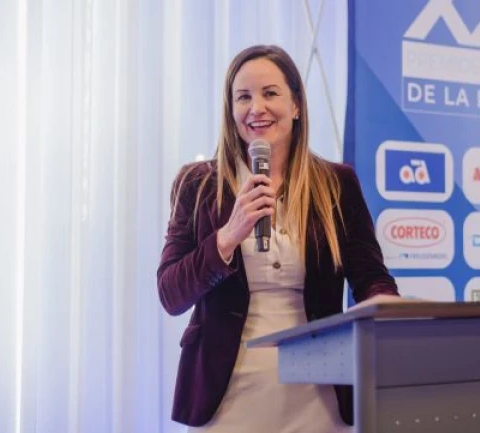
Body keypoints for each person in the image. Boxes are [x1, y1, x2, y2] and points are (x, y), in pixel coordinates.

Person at [157, 45, 398, 432]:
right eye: (244, 97)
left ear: (297, 105)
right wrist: (227, 237)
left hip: (318, 390)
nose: (257, 108)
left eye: (270, 93)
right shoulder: (198, 185)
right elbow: (170, 293)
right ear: (230, 110)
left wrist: (385, 303)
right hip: (226, 392)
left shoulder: (336, 183)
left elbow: (370, 275)